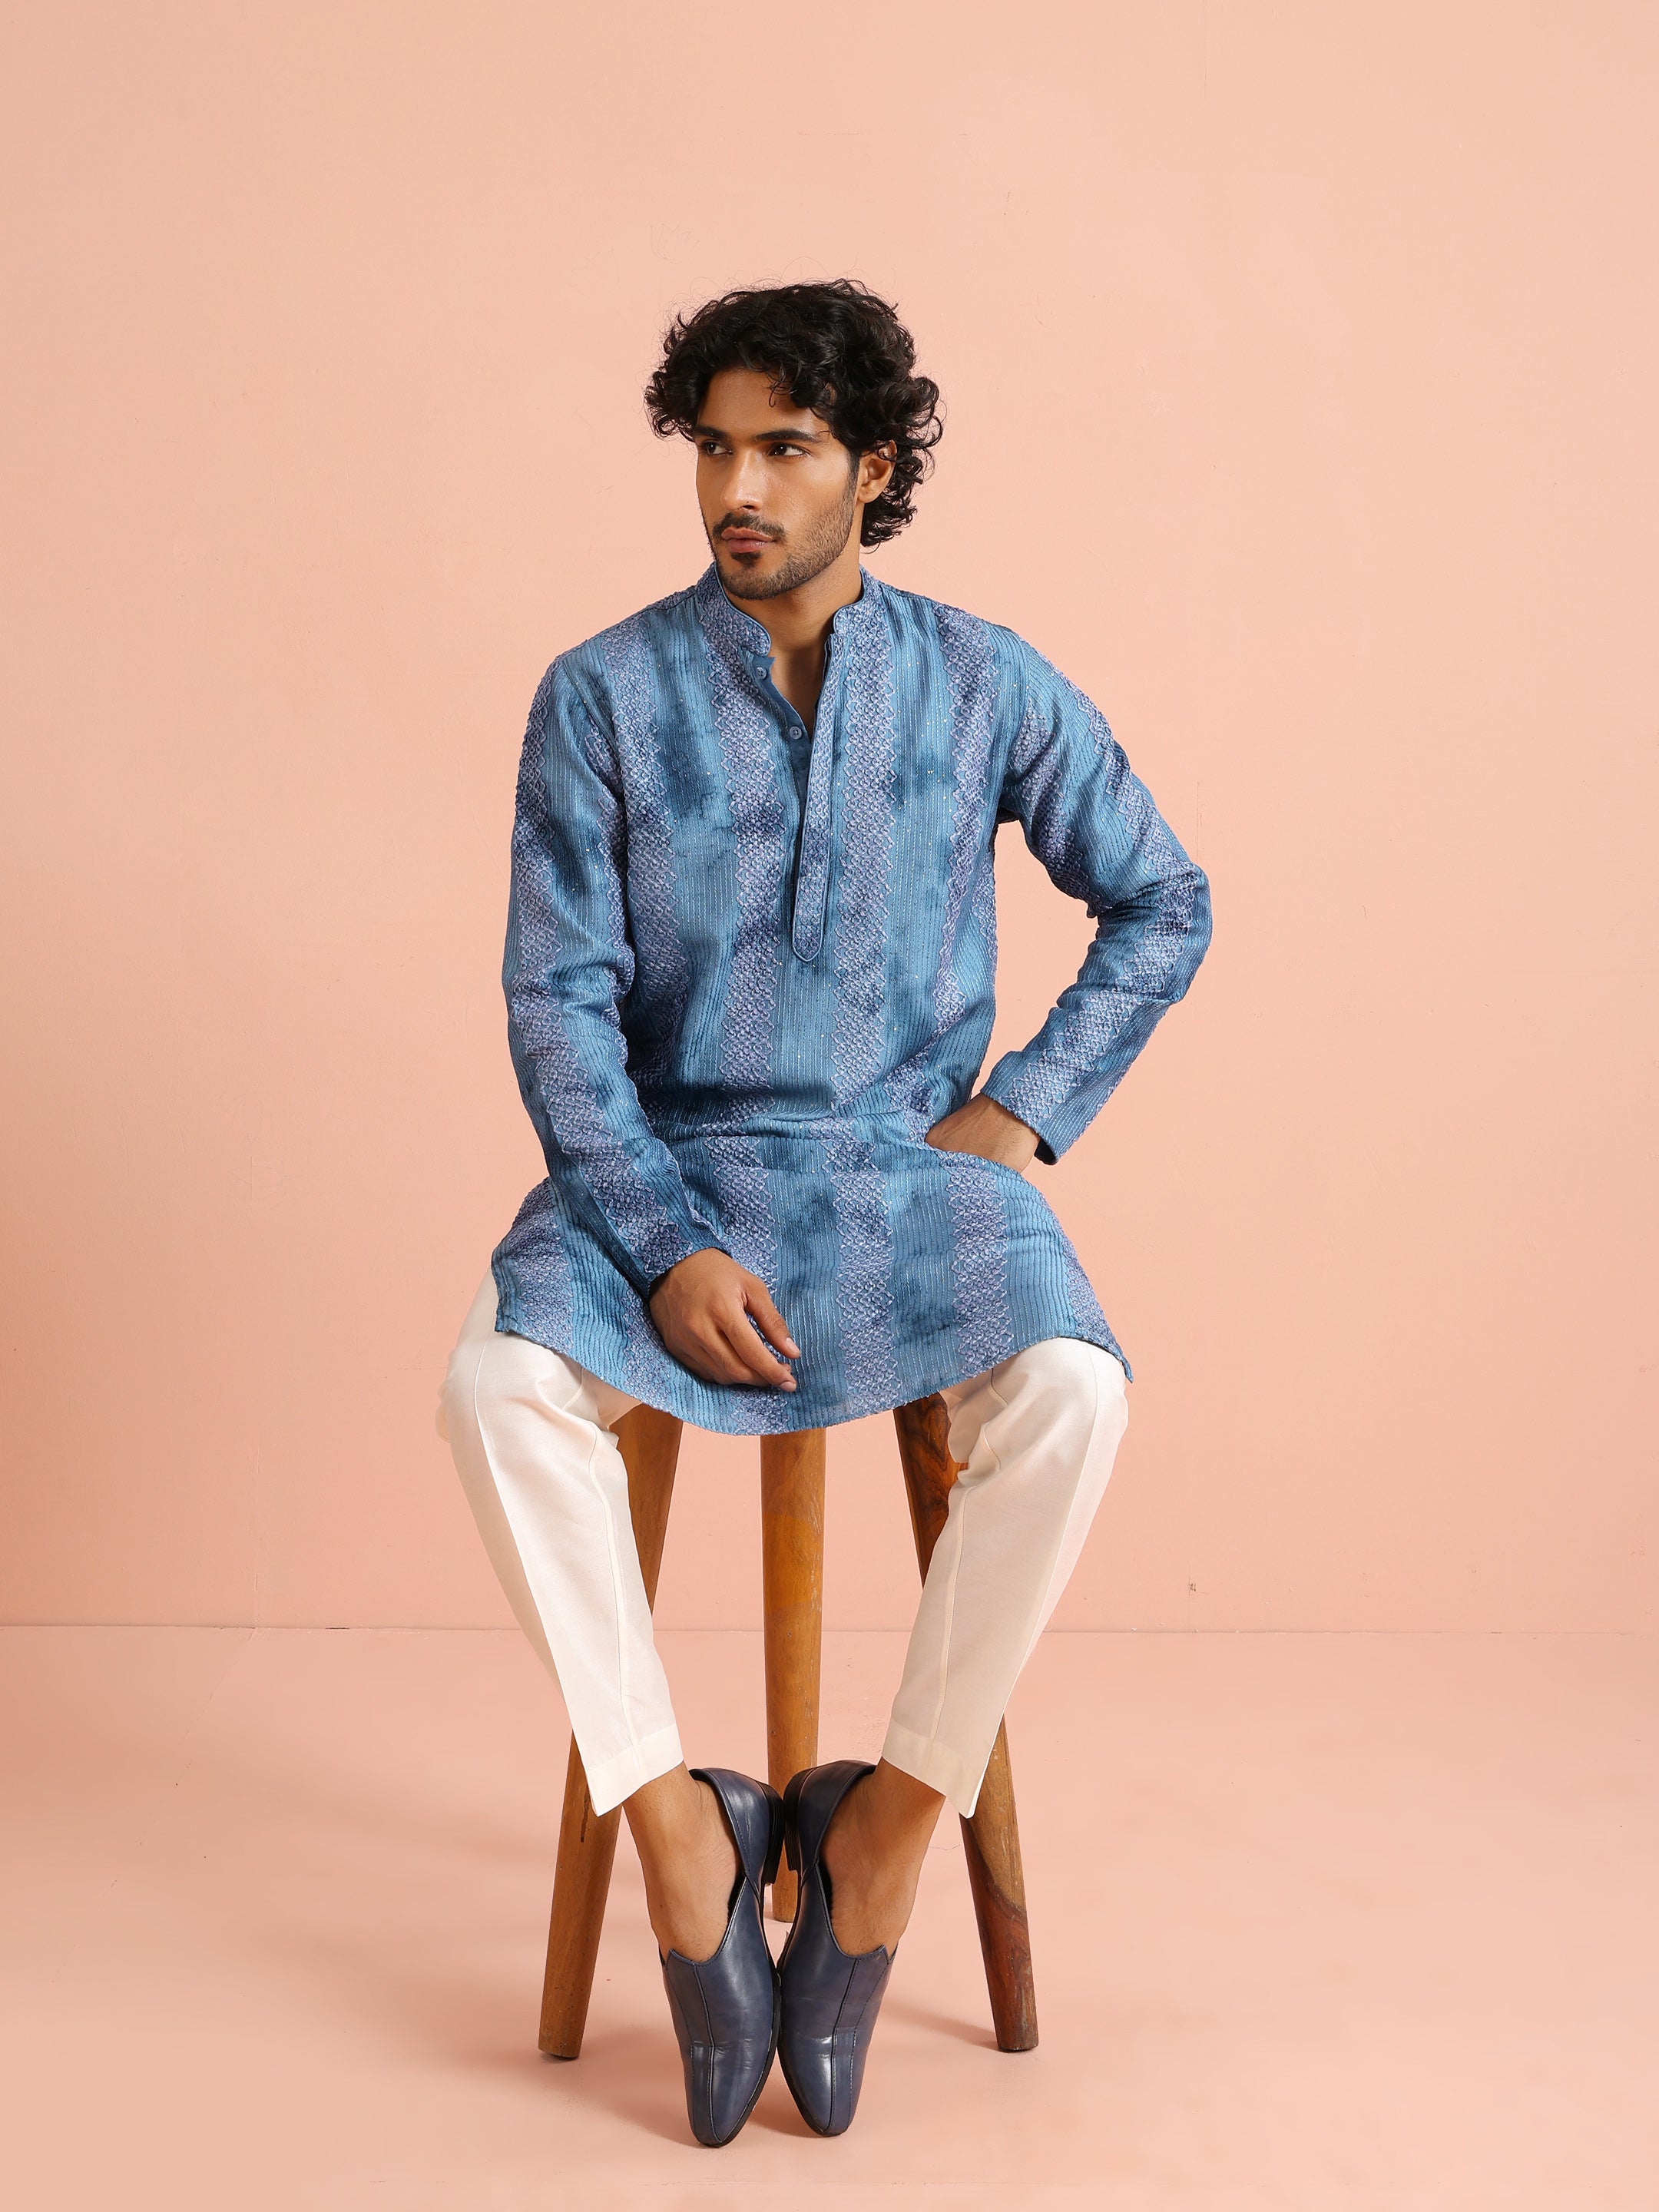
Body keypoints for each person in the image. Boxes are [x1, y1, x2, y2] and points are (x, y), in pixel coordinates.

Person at [438, 278, 1212, 2146]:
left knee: (1076, 1391)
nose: (739, 488)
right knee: (492, 1392)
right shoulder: (603, 694)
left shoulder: (984, 681)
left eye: (783, 447)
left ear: (873, 467)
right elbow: (556, 1005)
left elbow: (1162, 897)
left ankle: (884, 1834)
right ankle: (681, 1843)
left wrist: (1024, 1112)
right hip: (663, 1167)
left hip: (899, 1179)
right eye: (714, 447)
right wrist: (661, 1239)